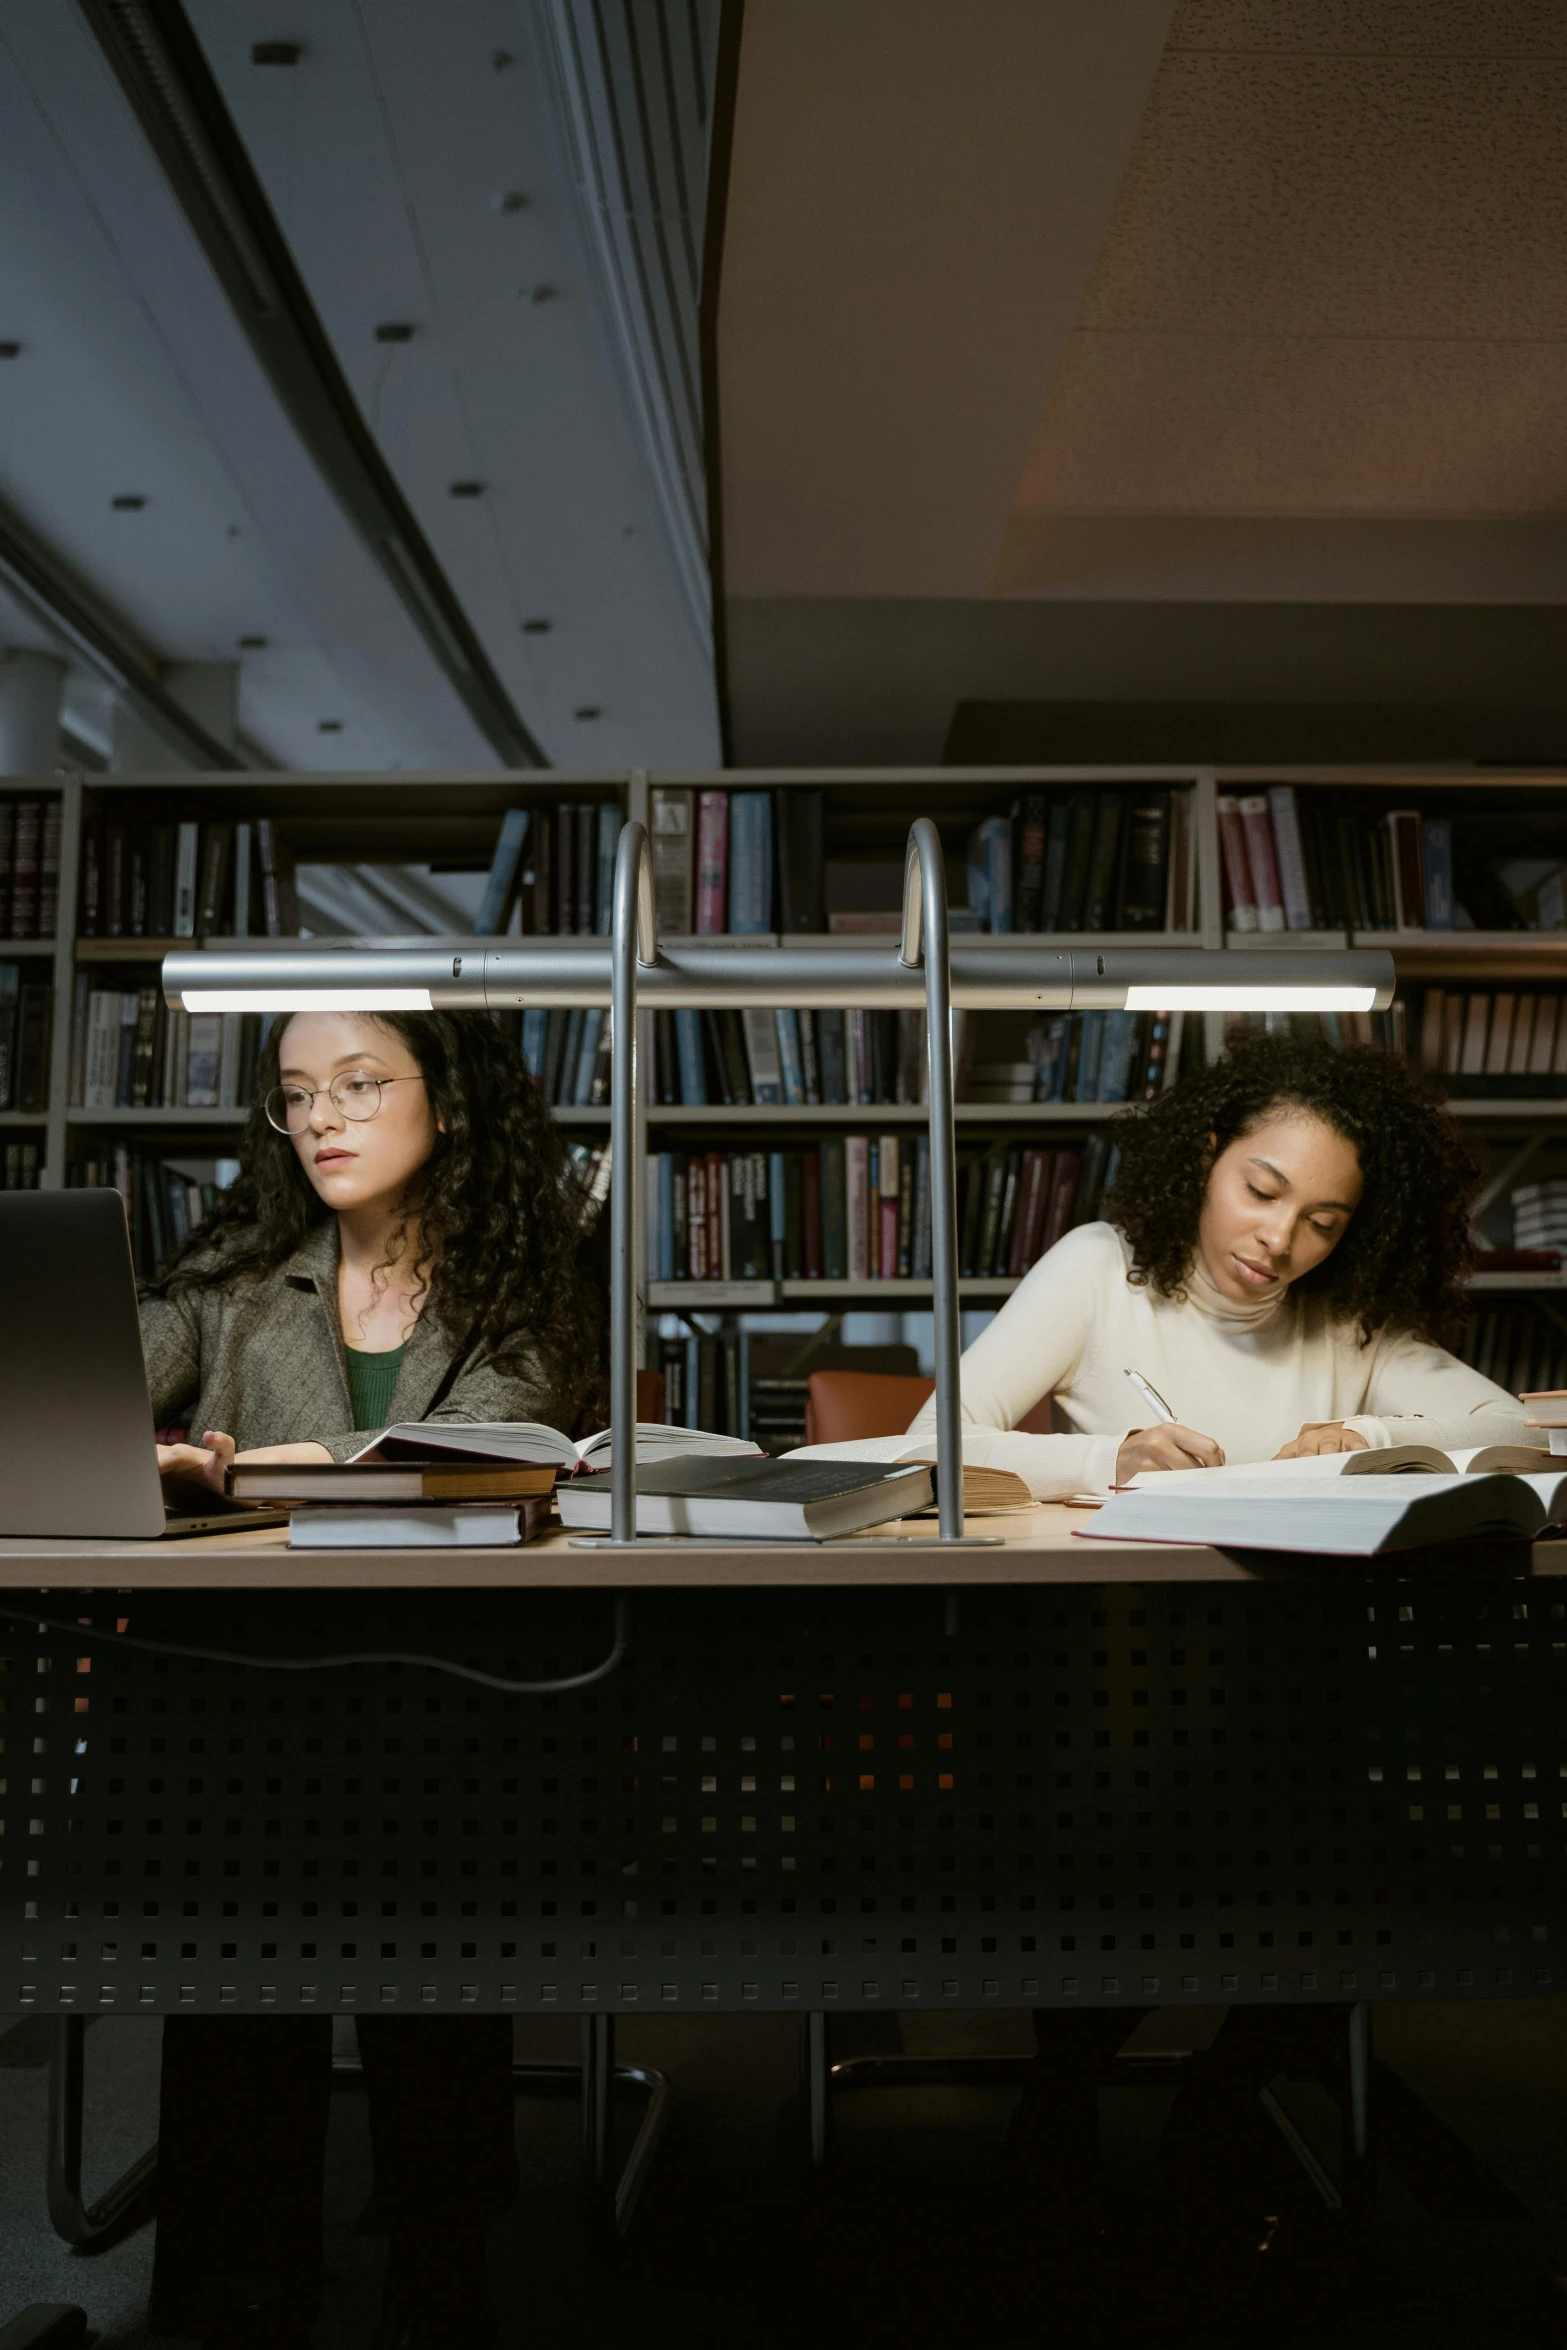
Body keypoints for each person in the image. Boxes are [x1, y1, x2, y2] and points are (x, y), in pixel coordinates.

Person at [902, 1033, 1526, 2229]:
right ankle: (1068, 2087)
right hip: (1103, 1691)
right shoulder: (1101, 1268)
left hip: (1294, 1697)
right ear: (1205, 1155)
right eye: (1261, 1190)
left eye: (1324, 1221)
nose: (1278, 1243)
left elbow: (1507, 1426)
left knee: (1359, 1864)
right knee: (1142, 1840)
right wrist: (1107, 1453)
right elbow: (934, 1438)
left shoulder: (1339, 1319)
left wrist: (1378, 1435)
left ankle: (1221, 2090)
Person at [139, 1007, 605, 2349]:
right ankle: (235, 2278)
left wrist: (226, 1469)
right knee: (225, 1889)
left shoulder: (518, 1273)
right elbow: (102, 1364)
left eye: (358, 1081)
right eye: (296, 1093)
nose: (323, 1117)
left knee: (423, 1892)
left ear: (445, 1100)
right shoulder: (235, 1276)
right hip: (241, 1708)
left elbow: (478, 1446)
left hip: (444, 1700)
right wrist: (129, 1431)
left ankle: (437, 2261)